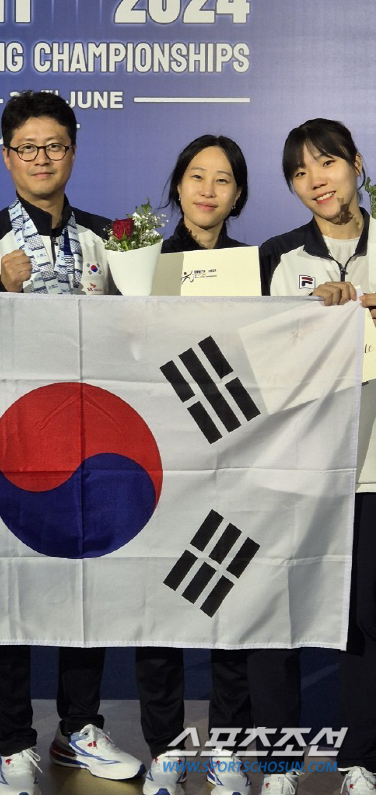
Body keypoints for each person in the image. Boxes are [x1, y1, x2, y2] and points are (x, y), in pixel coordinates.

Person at [0, 90, 142, 795]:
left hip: (91, 448)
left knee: (83, 589)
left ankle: (79, 728)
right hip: (7, 449)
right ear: (5, 153)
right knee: (7, 595)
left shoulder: (114, 238)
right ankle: (13, 744)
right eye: (27, 147)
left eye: (55, 145)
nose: (42, 158)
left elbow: (142, 339)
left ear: (74, 148)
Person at [138, 134, 275, 795]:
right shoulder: (142, 265)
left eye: (223, 180)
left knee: (228, 606)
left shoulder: (261, 267)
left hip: (231, 458)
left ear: (239, 194)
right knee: (159, 613)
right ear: (178, 183)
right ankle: (166, 747)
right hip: (158, 460)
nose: (208, 189)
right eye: (197, 175)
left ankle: (228, 747)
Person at [260, 118, 376, 795]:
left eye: (327, 162)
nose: (316, 180)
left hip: (370, 466)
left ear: (357, 164)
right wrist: (311, 317)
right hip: (299, 468)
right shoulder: (279, 255)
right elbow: (261, 362)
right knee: (282, 616)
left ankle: (361, 758)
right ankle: (276, 763)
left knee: (367, 617)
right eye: (301, 172)